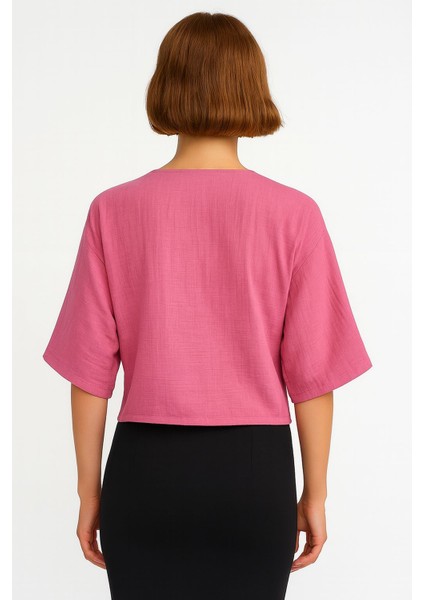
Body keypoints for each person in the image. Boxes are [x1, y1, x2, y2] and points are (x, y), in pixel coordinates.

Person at [42, 11, 373, 600]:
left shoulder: (113, 210)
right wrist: (315, 494)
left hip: (145, 471)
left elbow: (88, 374)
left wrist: (90, 493)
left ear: (165, 86)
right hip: (256, 473)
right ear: (252, 88)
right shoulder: (294, 215)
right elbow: (314, 376)